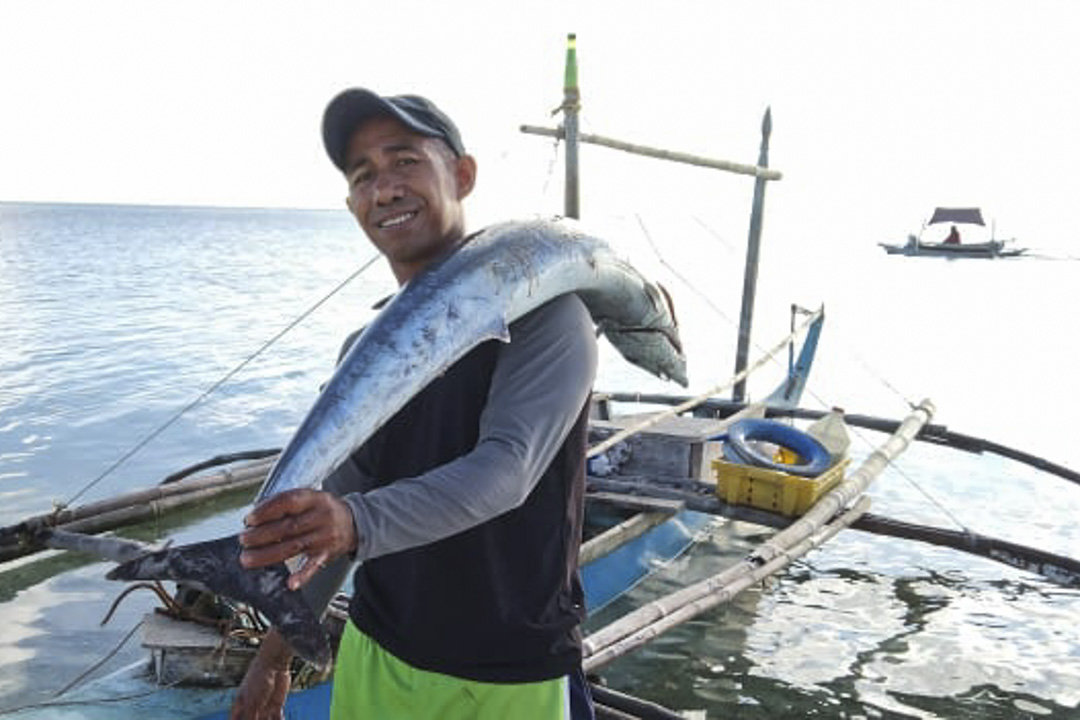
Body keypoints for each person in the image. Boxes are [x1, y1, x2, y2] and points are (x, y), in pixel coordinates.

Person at [229, 88, 598, 720]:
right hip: (377, 654)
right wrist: (274, 655)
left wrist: (355, 521)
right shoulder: (360, 352)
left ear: (462, 174)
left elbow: (506, 470)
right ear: (352, 205)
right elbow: (335, 509)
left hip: (508, 677)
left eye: (404, 162)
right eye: (363, 175)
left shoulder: (550, 314)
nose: (385, 188)